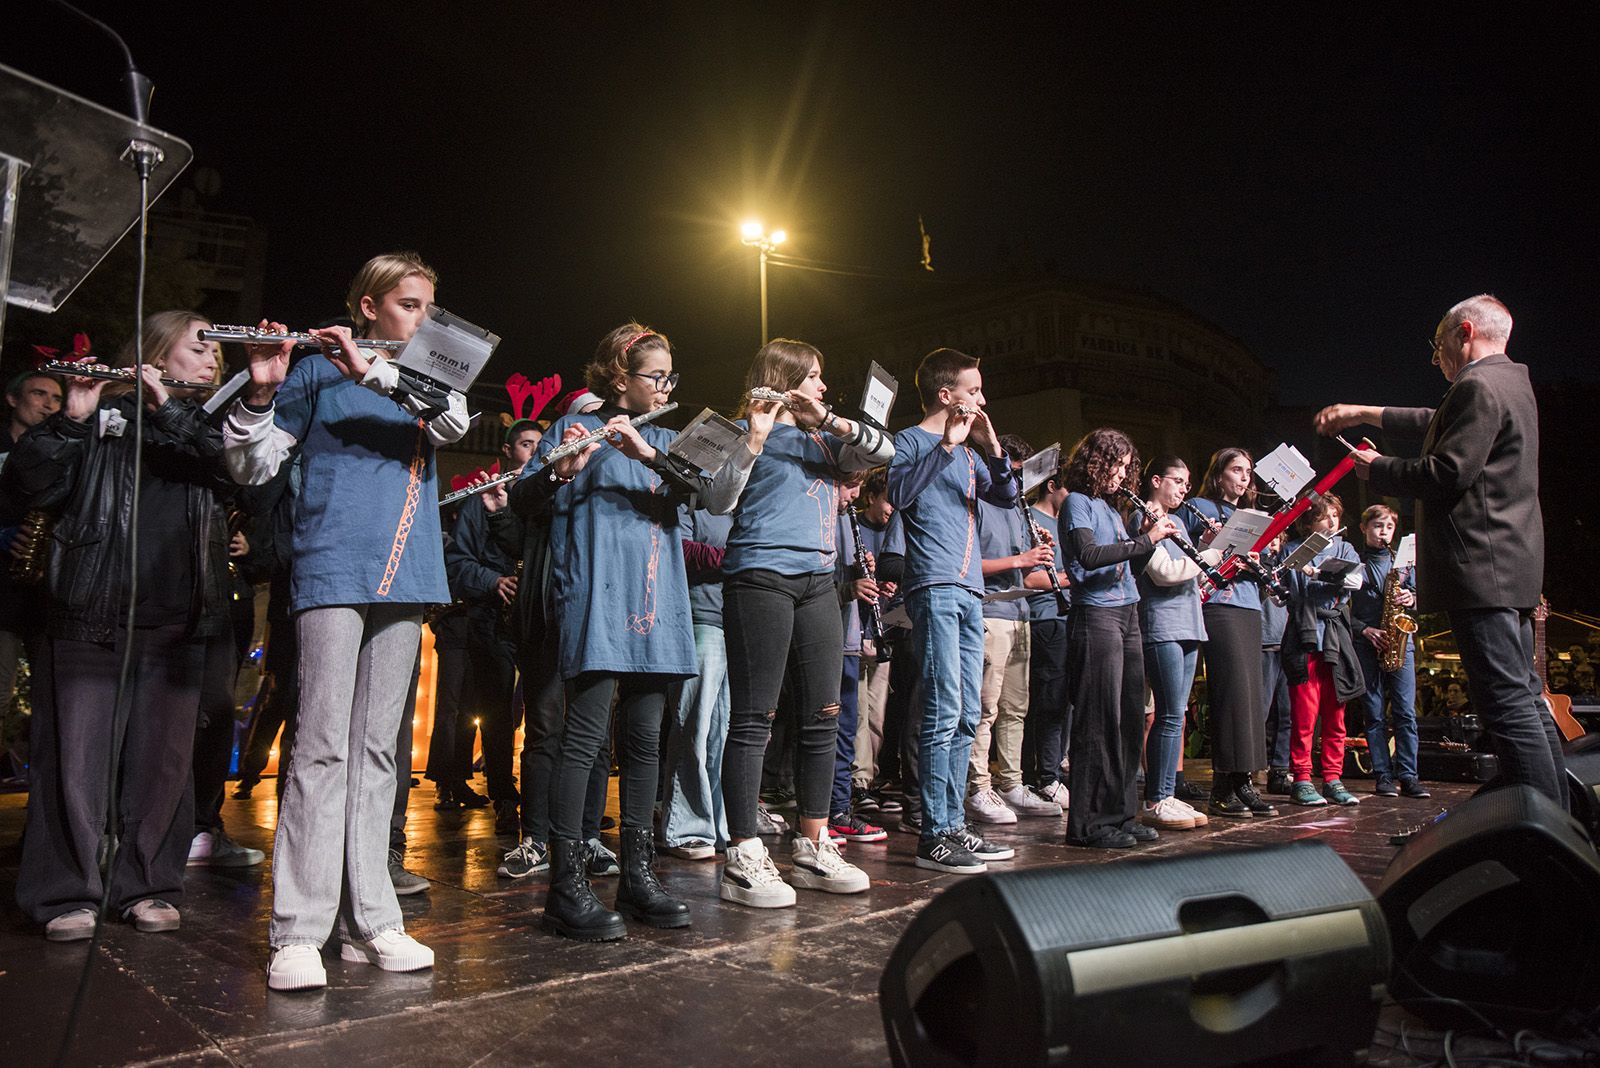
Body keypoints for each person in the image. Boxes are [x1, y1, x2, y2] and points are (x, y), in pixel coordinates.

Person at [224, 252, 469, 989]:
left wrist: (378, 373)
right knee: (322, 747)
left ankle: (372, 920)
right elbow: (254, 467)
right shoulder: (311, 371)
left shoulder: (430, 379)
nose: (422, 318)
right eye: (409, 304)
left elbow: (452, 426)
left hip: (410, 569)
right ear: (368, 306)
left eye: (428, 305)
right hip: (332, 562)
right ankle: (299, 930)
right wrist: (261, 393)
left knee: (378, 753)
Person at [5, 312, 231, 941]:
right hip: (87, 608)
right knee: (73, 761)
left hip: (178, 618)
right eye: (200, 346)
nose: (215, 359)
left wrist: (169, 411)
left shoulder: (205, 425)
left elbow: (235, 472)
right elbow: (24, 488)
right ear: (156, 353)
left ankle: (149, 885)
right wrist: (71, 419)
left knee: (163, 766)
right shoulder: (98, 417)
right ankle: (64, 894)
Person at [1316, 294, 1566, 805]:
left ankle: (1546, 825)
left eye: (1438, 346)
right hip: (1509, 566)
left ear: (1464, 332)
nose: (1437, 359)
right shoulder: (1509, 381)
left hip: (1481, 568)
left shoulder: (1477, 385)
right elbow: (1435, 419)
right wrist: (1365, 412)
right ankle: (1562, 810)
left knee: (1506, 705)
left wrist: (1377, 469)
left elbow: (1448, 471)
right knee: (1525, 699)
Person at [527, 324, 718, 940]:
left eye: (669, 376)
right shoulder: (570, 429)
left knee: (644, 742)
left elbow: (707, 492)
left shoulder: (667, 439)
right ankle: (567, 884)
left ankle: (638, 877)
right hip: (595, 595)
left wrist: (648, 455)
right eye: (654, 376)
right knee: (584, 742)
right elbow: (524, 501)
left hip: (657, 597)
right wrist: (564, 469)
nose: (665, 386)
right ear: (618, 376)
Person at [704, 338, 892, 907]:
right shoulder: (741, 431)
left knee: (824, 714)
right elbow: (715, 502)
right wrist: (754, 441)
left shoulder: (824, 437)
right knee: (755, 717)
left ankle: (814, 845)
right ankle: (743, 853)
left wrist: (829, 419)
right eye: (813, 376)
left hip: (819, 584)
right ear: (785, 378)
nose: (822, 385)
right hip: (760, 577)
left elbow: (886, 453)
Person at [888, 348, 1020, 874]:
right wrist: (946, 446)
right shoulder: (913, 442)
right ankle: (933, 833)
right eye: (974, 390)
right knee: (943, 709)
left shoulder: (970, 454)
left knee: (967, 713)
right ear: (947, 395)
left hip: (970, 591)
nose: (982, 399)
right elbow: (897, 492)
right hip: (935, 586)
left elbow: (1008, 497)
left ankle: (954, 823)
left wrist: (990, 449)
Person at [1059, 429, 1180, 848]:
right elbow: (1089, 557)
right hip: (1096, 615)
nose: (1121, 475)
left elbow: (1134, 561)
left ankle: (1122, 813)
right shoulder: (1078, 503)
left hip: (1127, 613)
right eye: (1116, 465)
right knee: (1098, 721)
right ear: (1096, 462)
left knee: (1129, 719)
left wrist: (1146, 536)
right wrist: (1146, 539)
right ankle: (1089, 825)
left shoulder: (1112, 509)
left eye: (1126, 468)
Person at [966, 434, 1062, 825]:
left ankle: (1011, 783)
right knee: (985, 709)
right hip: (992, 612)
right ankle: (978, 787)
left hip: (1021, 613)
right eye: (1012, 475)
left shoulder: (1018, 510)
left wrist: (1040, 551)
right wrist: (1021, 557)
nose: (1016, 484)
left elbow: (1029, 569)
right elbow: (971, 563)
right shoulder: (979, 505)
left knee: (1016, 709)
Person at [1184, 449, 1276, 819]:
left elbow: (1264, 563)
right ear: (1219, 473)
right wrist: (1210, 542)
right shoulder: (1198, 506)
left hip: (1251, 605)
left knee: (1251, 697)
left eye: (1248, 472)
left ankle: (1243, 781)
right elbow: (1188, 553)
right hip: (1219, 604)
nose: (1244, 478)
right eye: (1236, 470)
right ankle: (1222, 786)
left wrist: (1260, 559)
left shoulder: (1254, 517)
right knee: (1231, 691)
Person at [1132, 456, 1211, 832]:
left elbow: (1191, 576)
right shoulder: (1143, 518)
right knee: (1165, 714)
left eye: (1187, 482)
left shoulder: (1178, 523)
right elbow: (1165, 574)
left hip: (1188, 622)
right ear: (1156, 480)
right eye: (1177, 481)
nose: (1183, 489)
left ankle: (1166, 792)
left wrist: (1214, 548)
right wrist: (1209, 555)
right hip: (1162, 624)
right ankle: (1155, 799)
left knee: (1176, 715)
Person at [1279, 495, 1364, 806]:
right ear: (1309, 522)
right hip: (1304, 635)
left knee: (1335, 710)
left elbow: (1355, 581)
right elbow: (1281, 593)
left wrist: (1319, 574)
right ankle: (1301, 777)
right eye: (1324, 517)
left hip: (1335, 635)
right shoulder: (1292, 550)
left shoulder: (1346, 549)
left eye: (1335, 516)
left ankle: (1333, 777)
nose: (1332, 523)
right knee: (1304, 713)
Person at [0, 370, 62, 781]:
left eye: (56, 398)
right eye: (39, 394)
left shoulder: (64, 450)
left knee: (53, 701)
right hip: (2, 595)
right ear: (12, 399)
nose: (48, 404)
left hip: (46, 595)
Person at [1350, 504, 1429, 799]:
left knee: (1406, 713)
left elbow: (1420, 598)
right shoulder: (1353, 560)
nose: (1383, 533)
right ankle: (1383, 775)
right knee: (1373, 714)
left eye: (1388, 528)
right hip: (1367, 641)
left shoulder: (1403, 563)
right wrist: (1364, 630)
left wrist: (1413, 597)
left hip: (1399, 642)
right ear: (1364, 528)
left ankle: (1409, 775)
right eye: (1377, 526)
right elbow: (1342, 607)